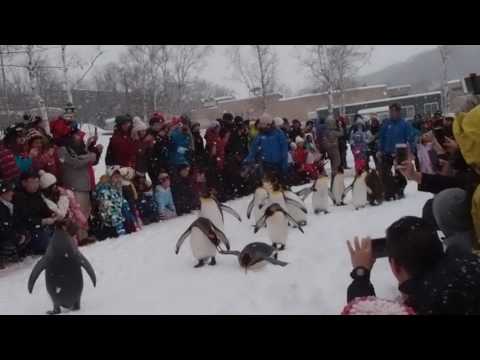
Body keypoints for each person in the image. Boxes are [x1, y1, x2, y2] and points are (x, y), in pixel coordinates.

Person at [346, 216, 480, 315]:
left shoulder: (426, 305)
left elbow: (363, 311)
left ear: (395, 267)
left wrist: (361, 274)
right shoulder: (471, 263)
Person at [57, 128, 102, 244]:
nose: (80, 138)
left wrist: (93, 150)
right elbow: (76, 162)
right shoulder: (63, 149)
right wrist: (90, 155)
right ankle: (78, 237)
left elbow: (89, 159)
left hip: (84, 185)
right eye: (78, 136)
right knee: (77, 213)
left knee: (85, 212)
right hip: (74, 185)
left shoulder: (79, 149)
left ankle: (84, 236)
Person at [38, 170, 89, 246]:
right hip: (53, 225)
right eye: (52, 186)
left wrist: (83, 221)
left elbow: (75, 208)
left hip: (68, 222)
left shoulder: (65, 194)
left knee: (72, 227)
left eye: (55, 185)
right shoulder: (43, 200)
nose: (55, 187)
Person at [378, 103, 416, 200]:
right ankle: (389, 192)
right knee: (384, 172)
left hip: (400, 152)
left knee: (400, 173)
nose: (391, 113)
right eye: (390, 111)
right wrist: (380, 150)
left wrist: (410, 151)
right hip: (387, 152)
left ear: (399, 112)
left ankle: (399, 190)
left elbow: (411, 138)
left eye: (394, 111)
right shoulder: (386, 124)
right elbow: (381, 137)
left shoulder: (405, 124)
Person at [13, 171, 55, 255]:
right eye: (33, 182)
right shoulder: (18, 197)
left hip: (41, 225)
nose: (36, 185)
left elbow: (44, 209)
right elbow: (24, 218)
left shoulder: (37, 194)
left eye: (37, 182)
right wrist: (42, 221)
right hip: (28, 229)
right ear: (24, 183)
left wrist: (52, 215)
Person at [243, 113, 289, 182]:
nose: (263, 128)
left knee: (280, 185)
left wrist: (284, 164)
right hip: (266, 164)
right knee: (269, 185)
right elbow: (253, 149)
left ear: (269, 124)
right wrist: (247, 160)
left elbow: (284, 150)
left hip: (279, 164)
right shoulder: (260, 135)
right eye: (262, 126)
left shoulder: (279, 133)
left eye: (265, 126)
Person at [93, 171, 127, 240]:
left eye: (119, 177)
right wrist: (119, 227)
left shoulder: (118, 187)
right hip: (109, 221)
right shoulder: (105, 190)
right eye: (115, 177)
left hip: (118, 218)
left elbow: (122, 202)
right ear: (110, 178)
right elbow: (111, 208)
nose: (118, 179)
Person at [0, 180, 26, 268]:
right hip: (4, 236)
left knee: (27, 235)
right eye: (9, 191)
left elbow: (17, 221)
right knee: (8, 243)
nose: (12, 193)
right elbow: (3, 227)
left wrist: (22, 232)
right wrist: (15, 236)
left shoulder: (11, 205)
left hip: (11, 234)